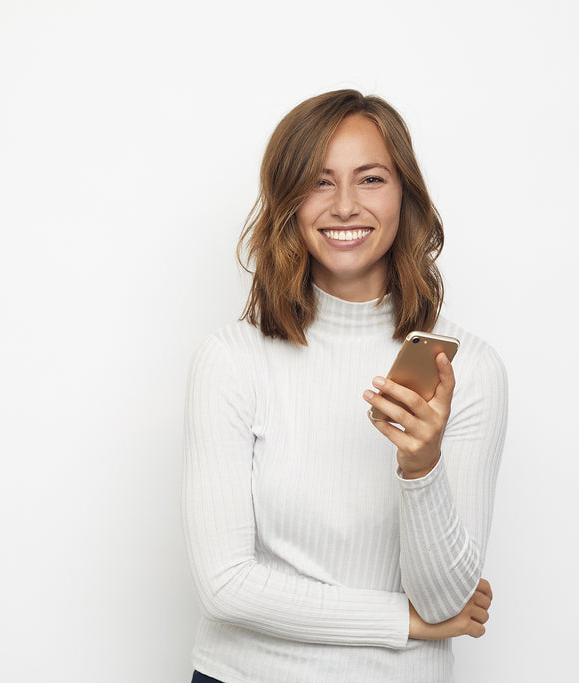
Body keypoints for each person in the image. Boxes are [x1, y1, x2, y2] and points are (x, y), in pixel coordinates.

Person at [182, 90, 507, 683]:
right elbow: (225, 587)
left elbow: (444, 601)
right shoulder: (232, 359)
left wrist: (422, 466)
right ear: (288, 201)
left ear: (405, 194)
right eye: (319, 181)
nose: (345, 206)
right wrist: (404, 624)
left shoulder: (470, 370)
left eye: (371, 179)